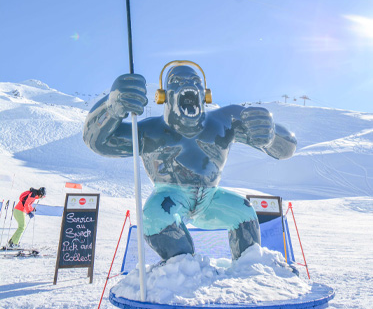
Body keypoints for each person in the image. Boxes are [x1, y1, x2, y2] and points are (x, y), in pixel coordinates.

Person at [84, 62, 297, 261]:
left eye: (196, 82)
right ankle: (183, 271)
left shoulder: (226, 121)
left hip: (212, 199)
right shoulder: (149, 132)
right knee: (155, 217)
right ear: (163, 96)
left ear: (205, 95)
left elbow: (286, 149)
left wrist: (270, 134)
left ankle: (250, 267)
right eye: (176, 82)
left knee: (243, 211)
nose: (188, 85)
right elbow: (99, 142)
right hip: (170, 197)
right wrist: (110, 108)